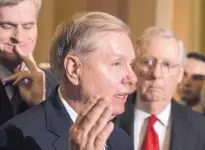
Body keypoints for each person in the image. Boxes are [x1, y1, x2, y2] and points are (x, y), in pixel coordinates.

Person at [0, 11, 137, 150]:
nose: (132, 78)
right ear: (73, 69)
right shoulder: (16, 139)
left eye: (130, 64)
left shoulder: (122, 140)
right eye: (117, 64)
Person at [115, 27, 205, 150]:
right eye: (148, 62)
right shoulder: (110, 116)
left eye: (167, 64)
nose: (156, 74)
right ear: (134, 67)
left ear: (179, 74)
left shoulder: (201, 129)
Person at [0, 0, 58, 125]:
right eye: (6, 26)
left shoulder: (55, 84)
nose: (19, 37)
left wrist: (38, 106)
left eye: (28, 26)